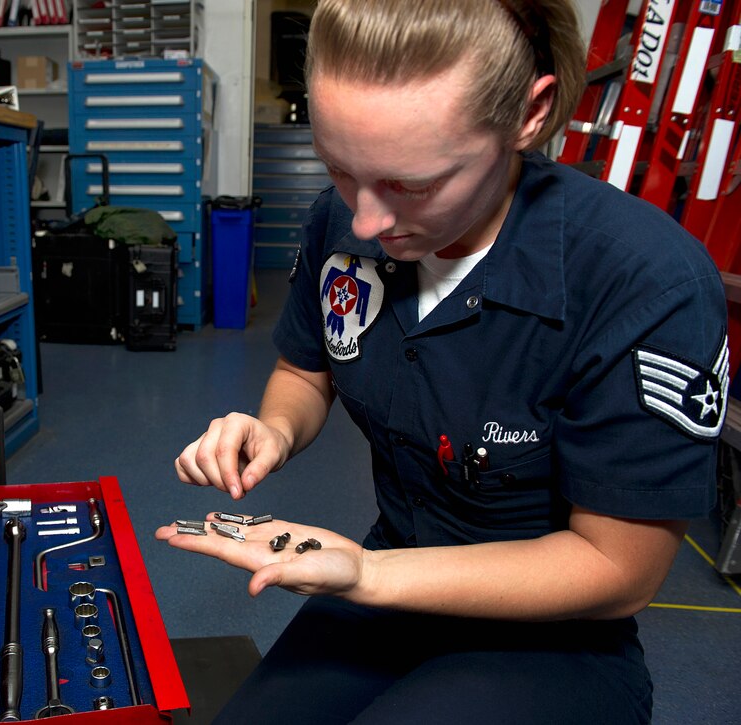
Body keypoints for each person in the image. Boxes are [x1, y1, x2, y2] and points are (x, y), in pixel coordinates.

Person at [156, 1, 729, 723]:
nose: (364, 221)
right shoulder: (344, 221)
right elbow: (308, 370)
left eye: (413, 185)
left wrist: (368, 572)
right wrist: (274, 428)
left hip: (552, 634)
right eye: (340, 169)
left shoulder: (643, 280)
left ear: (530, 113)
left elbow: (617, 569)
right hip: (390, 575)